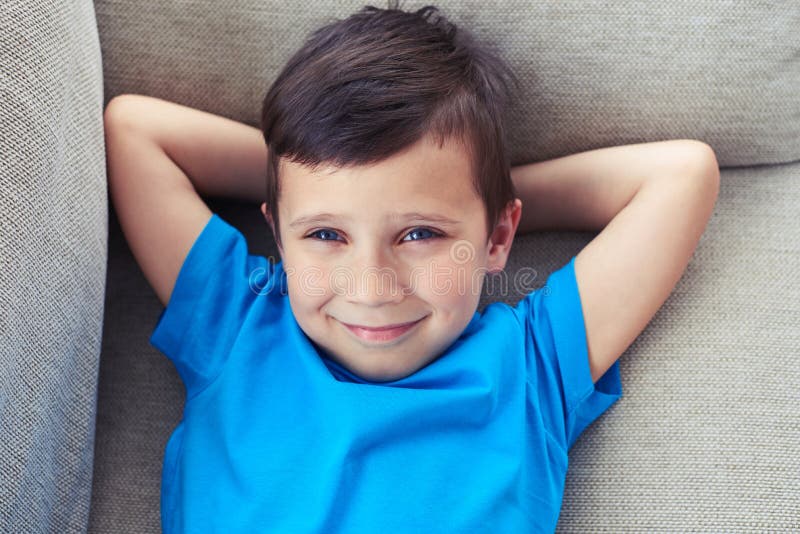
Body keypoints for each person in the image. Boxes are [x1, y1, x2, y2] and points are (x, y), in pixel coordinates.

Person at [103, 2, 720, 532]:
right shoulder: (236, 325)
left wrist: (480, 201)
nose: (372, 287)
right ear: (280, 236)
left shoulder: (531, 364)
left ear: (500, 234)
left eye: (421, 233)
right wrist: (314, 179)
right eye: (325, 234)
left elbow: (681, 175)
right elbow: (134, 129)